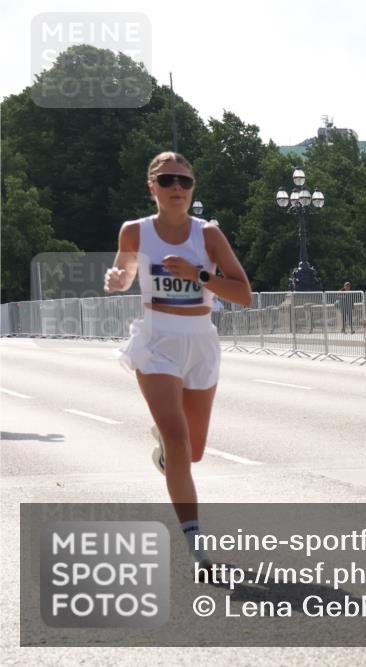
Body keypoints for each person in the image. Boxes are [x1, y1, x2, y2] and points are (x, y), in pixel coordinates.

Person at [104, 151, 252, 570]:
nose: (176, 189)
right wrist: (117, 279)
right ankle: (196, 543)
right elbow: (125, 274)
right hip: (157, 341)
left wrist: (198, 276)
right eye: (167, 180)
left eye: (184, 182)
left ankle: (169, 453)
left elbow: (243, 293)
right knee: (178, 438)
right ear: (152, 187)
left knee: (194, 451)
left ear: (192, 189)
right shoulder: (135, 232)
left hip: (200, 342)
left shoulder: (208, 236)